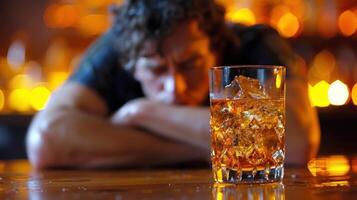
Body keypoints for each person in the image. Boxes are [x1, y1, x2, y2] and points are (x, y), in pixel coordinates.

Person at [26, 0, 320, 168]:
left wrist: (143, 113)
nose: (174, 87)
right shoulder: (116, 48)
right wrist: (214, 147)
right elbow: (46, 140)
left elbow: (296, 142)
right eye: (155, 70)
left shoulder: (257, 44)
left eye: (190, 65)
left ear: (216, 49)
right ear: (132, 66)